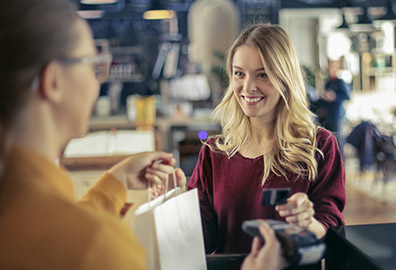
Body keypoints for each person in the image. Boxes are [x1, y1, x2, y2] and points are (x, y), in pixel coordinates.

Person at [0, 0, 187, 268]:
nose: (97, 79)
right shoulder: (97, 246)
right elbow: (75, 240)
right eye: (92, 64)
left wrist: (117, 180)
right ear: (54, 81)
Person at [187, 23, 346, 255]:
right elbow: (205, 240)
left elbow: (331, 226)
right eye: (239, 73)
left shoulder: (320, 147)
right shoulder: (214, 153)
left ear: (285, 78)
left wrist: (307, 223)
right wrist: (172, 207)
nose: (248, 87)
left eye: (263, 75)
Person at [309, 59, 351, 152]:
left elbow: (347, 96)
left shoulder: (340, 82)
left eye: (332, 67)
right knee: (329, 139)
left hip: (336, 116)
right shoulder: (328, 82)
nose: (330, 69)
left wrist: (334, 97)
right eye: (329, 67)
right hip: (328, 116)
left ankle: (340, 161)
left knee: (338, 140)